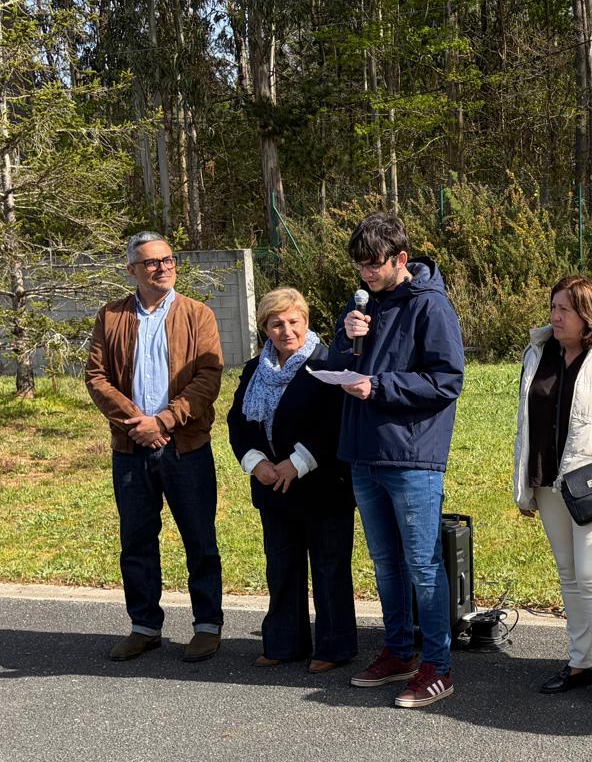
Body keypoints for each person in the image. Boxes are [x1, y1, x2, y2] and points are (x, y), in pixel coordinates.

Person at [328, 212, 466, 709]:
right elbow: (335, 365)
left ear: (401, 258)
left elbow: (447, 380)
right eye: (360, 266)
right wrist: (344, 337)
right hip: (363, 453)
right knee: (385, 562)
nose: (366, 273)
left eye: (374, 264)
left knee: (422, 565)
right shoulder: (360, 304)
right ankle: (399, 651)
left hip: (410, 456)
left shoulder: (430, 305)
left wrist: (380, 386)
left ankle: (438, 667)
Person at [85, 231, 225, 663]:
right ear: (132, 270)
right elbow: (96, 377)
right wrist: (137, 423)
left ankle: (207, 626)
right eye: (151, 262)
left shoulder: (198, 314)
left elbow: (208, 378)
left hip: (185, 446)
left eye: (168, 260)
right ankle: (144, 627)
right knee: (137, 540)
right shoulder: (111, 316)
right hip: (131, 449)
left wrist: (162, 421)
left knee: (199, 539)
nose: (163, 267)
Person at [512, 276, 592, 715]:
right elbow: (526, 420)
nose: (555, 316)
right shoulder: (539, 352)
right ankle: (581, 660)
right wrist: (525, 482)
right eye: (553, 307)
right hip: (548, 480)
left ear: (588, 313)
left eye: (564, 309)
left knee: (591, 574)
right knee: (569, 574)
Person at [226, 288, 358, 673]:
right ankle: (284, 644)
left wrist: (297, 463)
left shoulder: (327, 363)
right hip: (272, 486)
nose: (286, 331)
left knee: (329, 569)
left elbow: (336, 420)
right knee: (281, 567)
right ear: (265, 328)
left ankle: (333, 648)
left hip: (323, 485)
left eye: (293, 321)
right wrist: (256, 463)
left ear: (306, 321)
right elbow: (237, 422)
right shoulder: (255, 369)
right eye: (276, 324)